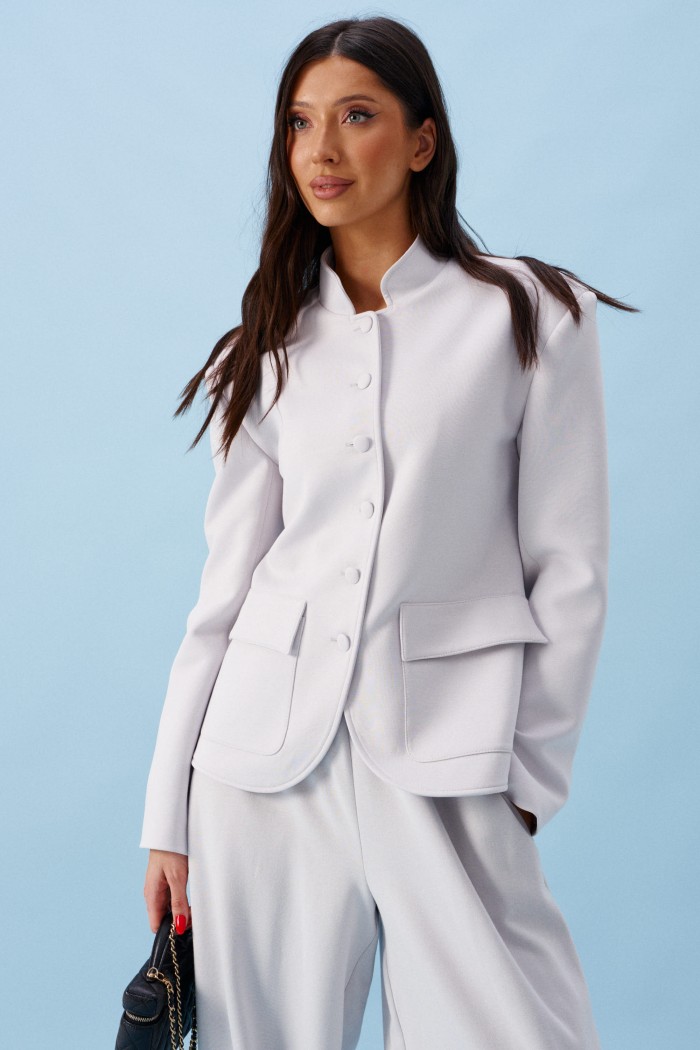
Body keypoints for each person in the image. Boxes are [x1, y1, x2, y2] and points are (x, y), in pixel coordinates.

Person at [139, 15, 637, 1049]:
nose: (320, 150)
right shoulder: (264, 348)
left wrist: (527, 781)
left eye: (356, 116)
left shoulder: (532, 316)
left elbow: (570, 569)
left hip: (452, 756)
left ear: (421, 141)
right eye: (299, 122)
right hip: (259, 765)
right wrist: (167, 819)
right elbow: (222, 597)